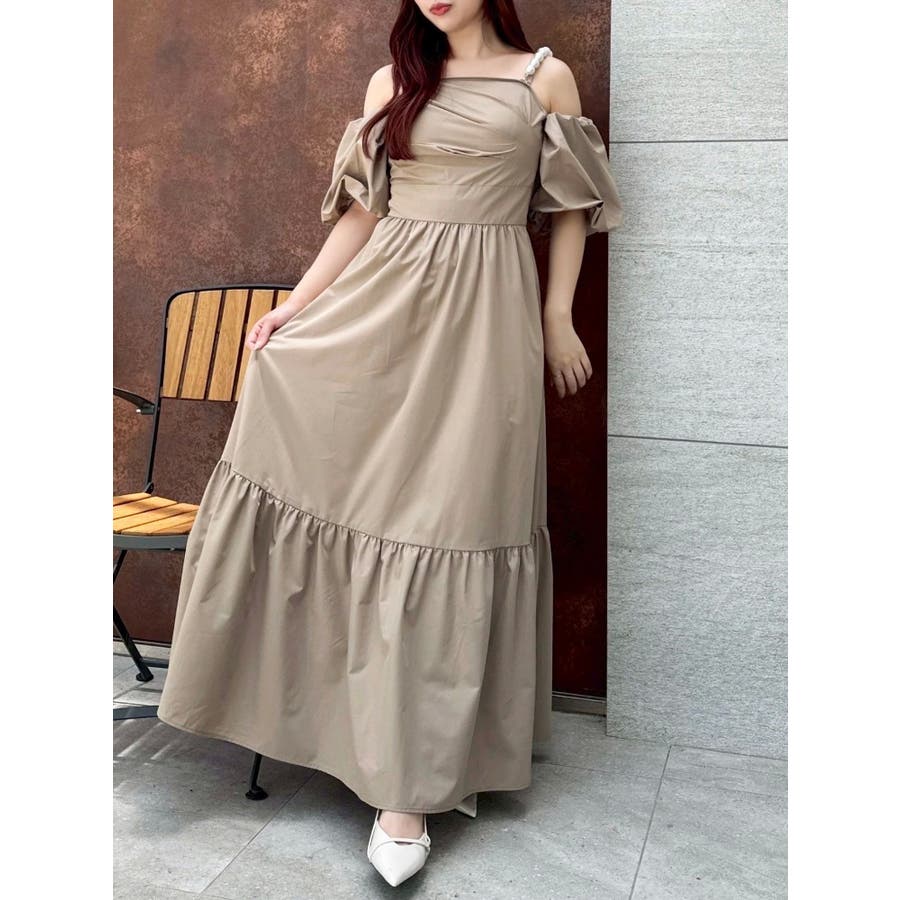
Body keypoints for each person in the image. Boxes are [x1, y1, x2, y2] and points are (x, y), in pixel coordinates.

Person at [157, 0, 622, 888]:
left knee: (454, 522)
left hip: (486, 323)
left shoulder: (544, 78)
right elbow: (362, 218)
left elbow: (572, 208)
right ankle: (350, 741)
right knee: (336, 469)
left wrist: (557, 317)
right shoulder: (393, 82)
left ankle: (410, 781)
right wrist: (293, 308)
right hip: (382, 312)